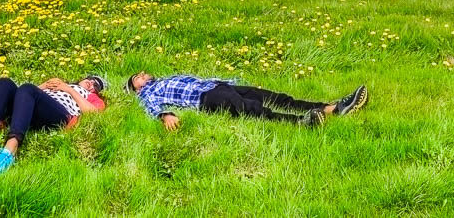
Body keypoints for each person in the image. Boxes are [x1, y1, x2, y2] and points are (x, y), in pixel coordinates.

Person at [0, 75, 107, 173]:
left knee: (28, 88)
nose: (92, 83)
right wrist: (42, 86)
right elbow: (24, 96)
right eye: (91, 79)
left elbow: (93, 113)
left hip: (58, 114)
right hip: (33, 106)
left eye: (97, 85)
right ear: (81, 79)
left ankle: (9, 152)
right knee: (4, 83)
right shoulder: (60, 83)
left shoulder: (90, 96)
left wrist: (68, 89)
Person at [125, 72, 366, 130]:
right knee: (250, 109)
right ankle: (302, 123)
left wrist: (229, 81)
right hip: (206, 99)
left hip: (217, 87)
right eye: (138, 77)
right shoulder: (147, 94)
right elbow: (150, 107)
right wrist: (165, 115)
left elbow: (199, 80)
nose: (143, 75)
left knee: (273, 97)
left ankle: (332, 108)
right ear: (135, 88)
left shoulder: (166, 78)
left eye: (143, 73)